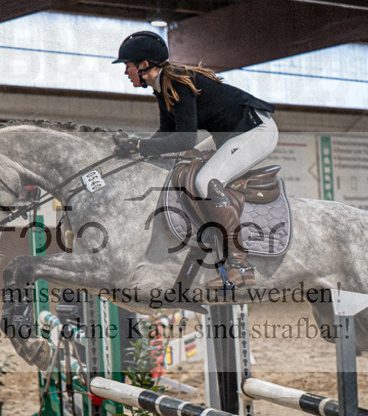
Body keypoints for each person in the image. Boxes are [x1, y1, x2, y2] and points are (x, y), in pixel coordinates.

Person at [113, 30, 278, 288]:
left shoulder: (176, 83)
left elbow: (184, 141)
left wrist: (140, 145)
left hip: (255, 130)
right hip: (230, 133)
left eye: (128, 66)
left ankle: (241, 266)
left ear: (144, 65)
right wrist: (136, 149)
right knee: (183, 166)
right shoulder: (164, 85)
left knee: (206, 182)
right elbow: (167, 135)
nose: (126, 72)